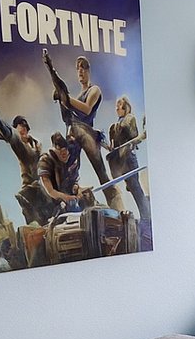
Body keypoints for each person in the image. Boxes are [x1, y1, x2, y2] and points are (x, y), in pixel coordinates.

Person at [43, 49, 124, 211]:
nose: (80, 70)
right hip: (74, 135)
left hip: (86, 133)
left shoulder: (94, 90)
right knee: (68, 173)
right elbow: (66, 107)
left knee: (102, 174)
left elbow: (86, 109)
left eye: (83, 67)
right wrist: (53, 74)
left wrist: (65, 97)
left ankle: (118, 208)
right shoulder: (78, 96)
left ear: (88, 70)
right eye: (78, 68)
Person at [0, 107, 55, 225]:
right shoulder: (19, 144)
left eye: (24, 126)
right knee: (35, 221)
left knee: (50, 209)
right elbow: (11, 136)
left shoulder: (36, 143)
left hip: (38, 186)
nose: (22, 129)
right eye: (19, 126)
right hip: (28, 187)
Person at [107, 95, 150, 221]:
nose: (117, 108)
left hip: (129, 157)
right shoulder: (116, 125)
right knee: (132, 188)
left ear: (126, 107)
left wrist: (122, 130)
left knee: (135, 188)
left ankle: (146, 216)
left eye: (119, 105)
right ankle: (145, 214)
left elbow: (134, 136)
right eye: (116, 105)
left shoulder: (129, 118)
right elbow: (114, 146)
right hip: (121, 160)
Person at [37, 132, 93, 214]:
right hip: (50, 203)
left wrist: (78, 190)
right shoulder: (45, 161)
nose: (66, 156)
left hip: (69, 199)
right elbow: (50, 191)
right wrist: (66, 197)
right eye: (62, 154)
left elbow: (73, 182)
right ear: (55, 151)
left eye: (67, 153)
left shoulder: (70, 160)